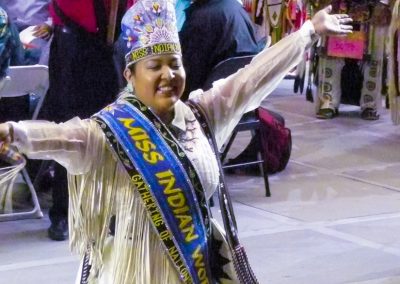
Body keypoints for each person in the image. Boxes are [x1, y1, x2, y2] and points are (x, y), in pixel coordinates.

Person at [0, 0, 352, 282]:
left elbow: (251, 80)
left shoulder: (202, 113)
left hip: (200, 265)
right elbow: (63, 138)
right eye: (155, 66)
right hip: (129, 269)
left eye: (175, 64)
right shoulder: (107, 132)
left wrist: (308, 32)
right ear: (130, 74)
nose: (168, 75)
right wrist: (15, 133)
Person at [39, 0, 122, 241]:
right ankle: (63, 212)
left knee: (111, 134)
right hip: (73, 47)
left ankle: (111, 210)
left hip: (109, 49)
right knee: (69, 134)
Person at [315, 0, 391, 120]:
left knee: (372, 57)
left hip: (373, 8)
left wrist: (384, 3)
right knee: (332, 53)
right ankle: (328, 101)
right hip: (336, 6)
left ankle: (369, 104)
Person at [178, 0, 260, 100]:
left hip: (206, 100)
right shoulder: (236, 8)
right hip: (239, 97)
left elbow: (188, 74)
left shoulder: (201, 18)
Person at [0, 0, 52, 65]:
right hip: (8, 25)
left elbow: (60, 7)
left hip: (36, 28)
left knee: (38, 50)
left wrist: (49, 24)